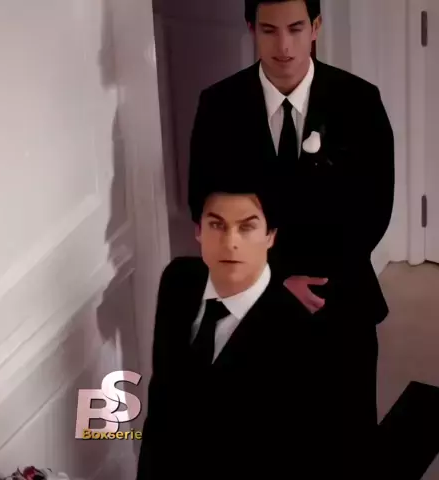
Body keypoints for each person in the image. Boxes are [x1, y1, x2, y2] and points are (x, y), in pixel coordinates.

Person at [188, 0, 395, 469]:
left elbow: (374, 210)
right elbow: (205, 210)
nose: (283, 46)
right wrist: (275, 283)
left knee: (349, 443)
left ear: (316, 26)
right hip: (253, 306)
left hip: (340, 297)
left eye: (296, 28)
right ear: (251, 28)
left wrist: (316, 282)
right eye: (269, 30)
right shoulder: (218, 105)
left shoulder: (360, 100)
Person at [136, 169, 345, 479]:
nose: (230, 242)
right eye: (216, 225)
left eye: (246, 227)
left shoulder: (303, 337)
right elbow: (161, 410)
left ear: (271, 235)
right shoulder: (178, 281)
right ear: (199, 230)